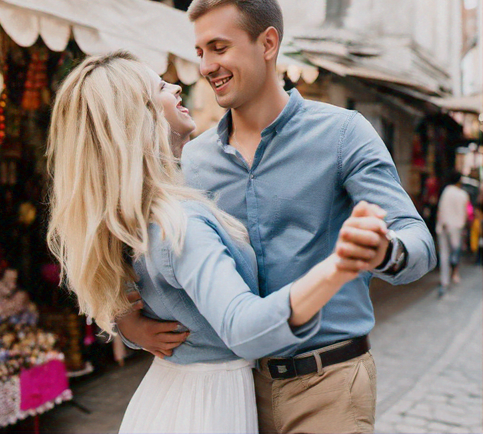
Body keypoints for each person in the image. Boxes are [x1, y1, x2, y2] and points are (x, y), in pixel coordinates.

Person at [118, 0, 436, 433]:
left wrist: (383, 250)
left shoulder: (344, 133)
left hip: (328, 384)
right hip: (234, 391)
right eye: (200, 52)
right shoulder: (195, 159)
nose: (207, 66)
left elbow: (417, 239)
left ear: (267, 43)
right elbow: (137, 245)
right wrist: (129, 322)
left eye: (219, 47)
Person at [46, 51, 389, 433]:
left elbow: (122, 285)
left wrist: (131, 326)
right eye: (160, 86)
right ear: (139, 118)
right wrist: (339, 266)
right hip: (206, 406)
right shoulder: (182, 222)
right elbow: (243, 329)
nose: (178, 85)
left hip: (175, 392)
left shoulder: (135, 211)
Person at [436, 170, 470, 296]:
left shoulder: (446, 191)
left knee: (444, 254)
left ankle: (444, 281)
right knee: (455, 252)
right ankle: (454, 274)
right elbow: (465, 213)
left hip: (444, 226)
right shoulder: (463, 194)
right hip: (456, 227)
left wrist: (441, 223)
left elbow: (441, 209)